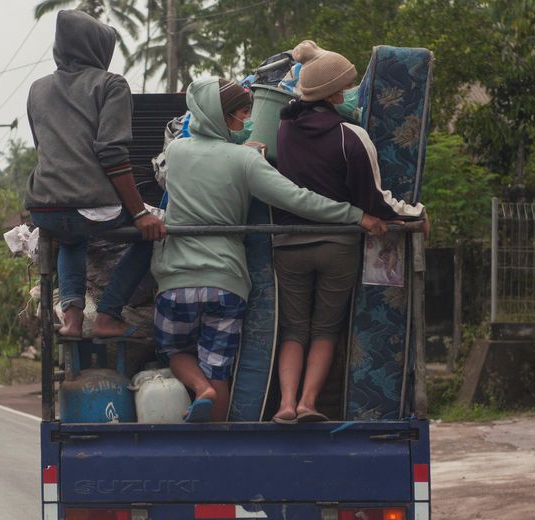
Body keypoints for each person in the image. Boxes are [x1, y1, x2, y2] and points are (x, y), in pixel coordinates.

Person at [151, 77, 390, 423]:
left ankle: (199, 388)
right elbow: (296, 198)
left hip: (175, 279)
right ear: (223, 117)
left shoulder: (175, 152)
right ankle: (218, 434)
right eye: (243, 114)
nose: (248, 121)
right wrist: (355, 215)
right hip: (226, 282)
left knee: (173, 349)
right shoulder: (245, 160)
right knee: (219, 370)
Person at [271, 41, 428, 424]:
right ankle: (308, 403)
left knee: (293, 329)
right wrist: (416, 214)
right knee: (325, 329)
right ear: (334, 95)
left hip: (288, 245)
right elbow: (374, 200)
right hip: (337, 245)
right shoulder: (350, 135)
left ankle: (285, 404)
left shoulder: (284, 129)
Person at [25, 9, 165, 340]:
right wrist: (140, 213)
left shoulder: (37, 89)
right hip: (88, 204)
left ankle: (72, 320)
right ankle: (108, 314)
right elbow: (112, 154)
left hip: (43, 207)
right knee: (153, 234)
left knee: (71, 237)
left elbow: (44, 148)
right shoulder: (111, 84)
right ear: (99, 48)